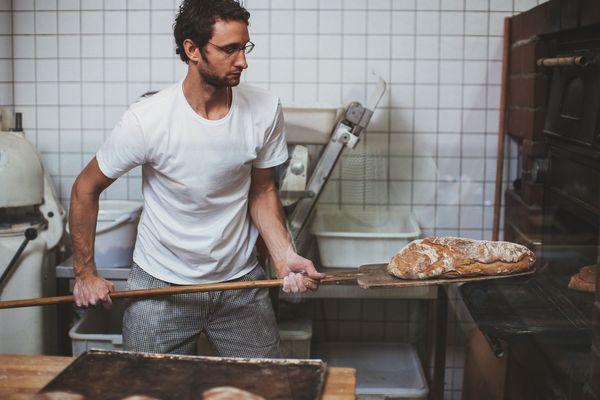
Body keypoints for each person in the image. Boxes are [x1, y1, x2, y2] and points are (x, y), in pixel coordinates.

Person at [68, 0, 324, 357]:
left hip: (240, 285)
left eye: (245, 47)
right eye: (229, 49)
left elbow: (262, 190)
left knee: (263, 389)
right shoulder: (148, 119)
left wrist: (283, 257)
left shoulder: (265, 109)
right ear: (192, 50)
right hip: (160, 287)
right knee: (146, 391)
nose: (243, 61)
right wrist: (85, 272)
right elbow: (85, 188)